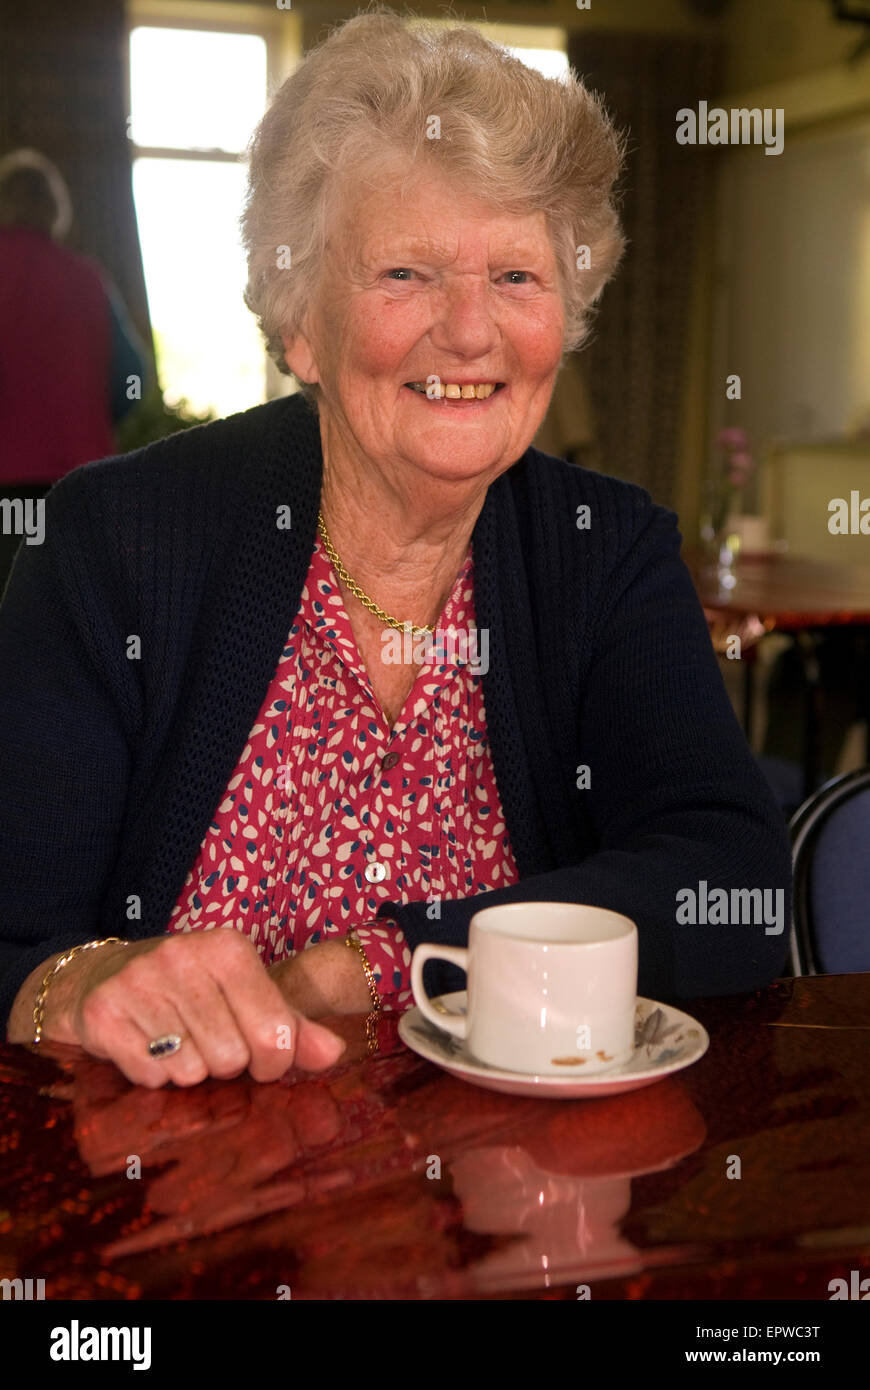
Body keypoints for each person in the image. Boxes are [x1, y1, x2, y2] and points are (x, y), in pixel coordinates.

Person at [0, 11, 792, 1089]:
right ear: (300, 326)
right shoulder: (117, 543)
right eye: (407, 273)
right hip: (178, 1211)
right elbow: (15, 939)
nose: (470, 332)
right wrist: (89, 983)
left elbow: (731, 886)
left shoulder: (605, 552)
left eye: (516, 276)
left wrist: (376, 962)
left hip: (516, 1212)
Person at [0, 148, 146, 594]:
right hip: (82, 487)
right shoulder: (88, 280)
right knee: (75, 622)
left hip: (8, 489)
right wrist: (93, 422)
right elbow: (133, 379)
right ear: (55, 210)